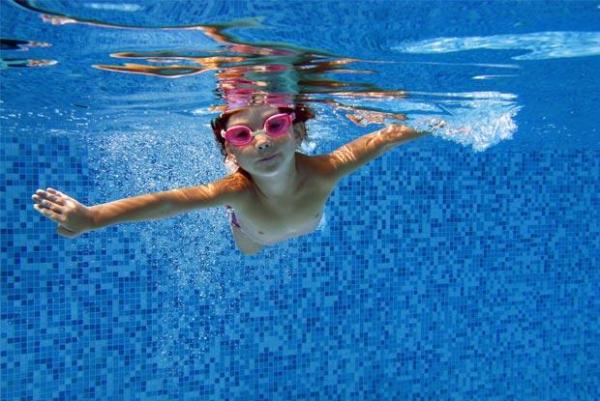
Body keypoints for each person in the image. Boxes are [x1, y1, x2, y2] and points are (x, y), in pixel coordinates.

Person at [31, 101, 438, 255]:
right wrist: (95, 217)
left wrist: (438, 121)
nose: (262, 141)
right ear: (230, 148)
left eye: (276, 125)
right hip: (251, 231)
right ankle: (235, 174)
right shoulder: (237, 193)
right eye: (243, 135)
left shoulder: (326, 169)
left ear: (297, 133)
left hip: (308, 222)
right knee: (249, 249)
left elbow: (382, 140)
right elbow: (171, 202)